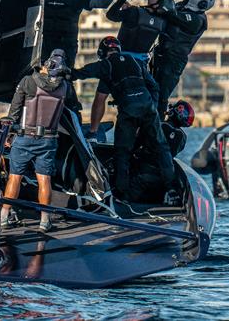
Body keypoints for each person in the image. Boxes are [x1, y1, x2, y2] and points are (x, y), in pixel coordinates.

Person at [69, 36, 176, 202]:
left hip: (128, 111)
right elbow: (154, 87)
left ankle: (121, 195)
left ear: (102, 53)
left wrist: (66, 74)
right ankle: (172, 188)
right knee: (161, 148)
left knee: (122, 153)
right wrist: (153, 107)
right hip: (149, 108)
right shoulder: (135, 61)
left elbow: (84, 74)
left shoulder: (107, 64)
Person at [88, 0, 171, 139]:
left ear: (157, 5)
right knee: (140, 100)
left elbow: (110, 15)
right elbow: (166, 6)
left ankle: (93, 131)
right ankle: (143, 134)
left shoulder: (134, 13)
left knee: (101, 96)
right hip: (139, 67)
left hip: (118, 63)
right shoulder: (161, 23)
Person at [0, 49, 69, 232]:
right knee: (44, 180)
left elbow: (14, 112)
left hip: (25, 137)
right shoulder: (65, 86)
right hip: (48, 140)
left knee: (15, 177)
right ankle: (45, 221)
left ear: (47, 64)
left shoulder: (28, 82)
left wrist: (7, 134)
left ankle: (4, 217)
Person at [41, 0, 124, 68]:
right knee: (42, 74)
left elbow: (103, 3)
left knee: (65, 76)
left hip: (67, 45)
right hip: (46, 43)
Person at [150, 0, 214, 115]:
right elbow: (167, 7)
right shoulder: (182, 6)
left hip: (174, 60)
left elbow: (171, 14)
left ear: (203, 3)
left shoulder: (197, 20)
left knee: (161, 95)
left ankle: (157, 126)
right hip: (161, 54)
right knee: (150, 89)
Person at [126, 100, 193, 204]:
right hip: (164, 179)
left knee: (125, 197)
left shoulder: (159, 126)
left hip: (143, 173)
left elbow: (136, 143)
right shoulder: (182, 137)